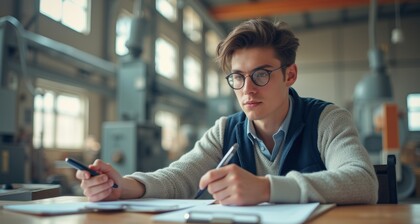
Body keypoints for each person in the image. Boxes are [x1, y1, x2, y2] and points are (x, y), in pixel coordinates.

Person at [76, 18, 378, 205]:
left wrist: (266, 189)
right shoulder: (225, 130)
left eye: (261, 74)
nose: (247, 89)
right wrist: (125, 186)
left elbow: (363, 182)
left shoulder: (327, 120)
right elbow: (178, 178)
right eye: (237, 77)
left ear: (290, 75)